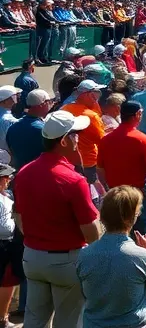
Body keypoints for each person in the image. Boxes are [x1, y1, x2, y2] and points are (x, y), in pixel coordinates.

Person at [12, 110, 101, 328]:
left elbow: (18, 216)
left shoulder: (24, 172)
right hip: (65, 261)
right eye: (74, 135)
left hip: (32, 257)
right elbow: (91, 231)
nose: (77, 139)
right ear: (63, 141)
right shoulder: (73, 180)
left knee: (34, 321)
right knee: (68, 322)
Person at [76, 186, 146, 328]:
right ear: (133, 216)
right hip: (135, 324)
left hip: (95, 325)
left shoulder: (84, 255)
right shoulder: (142, 256)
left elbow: (84, 294)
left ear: (103, 215)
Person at [96, 101, 146, 236]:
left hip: (116, 192)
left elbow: (100, 168)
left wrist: (108, 188)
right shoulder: (142, 139)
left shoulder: (105, 140)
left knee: (118, 230)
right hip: (138, 193)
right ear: (137, 114)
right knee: (140, 232)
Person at [61, 81, 107, 185]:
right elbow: (102, 141)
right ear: (86, 95)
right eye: (94, 94)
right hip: (89, 163)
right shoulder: (91, 116)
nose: (96, 98)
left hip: (69, 160)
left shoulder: (64, 109)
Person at [6, 91, 54, 174]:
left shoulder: (12, 128)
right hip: (41, 173)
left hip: (21, 173)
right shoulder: (43, 130)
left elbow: (11, 151)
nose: (52, 104)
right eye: (49, 101)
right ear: (42, 104)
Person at [0, 164, 21, 328]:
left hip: (8, 243)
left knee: (8, 281)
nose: (9, 180)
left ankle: (3, 317)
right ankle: (2, 318)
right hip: (4, 244)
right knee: (6, 282)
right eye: (6, 178)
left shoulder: (7, 196)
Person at [0, 87, 20, 165]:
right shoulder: (9, 120)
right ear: (5, 101)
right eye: (13, 97)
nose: (15, 101)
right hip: (7, 158)